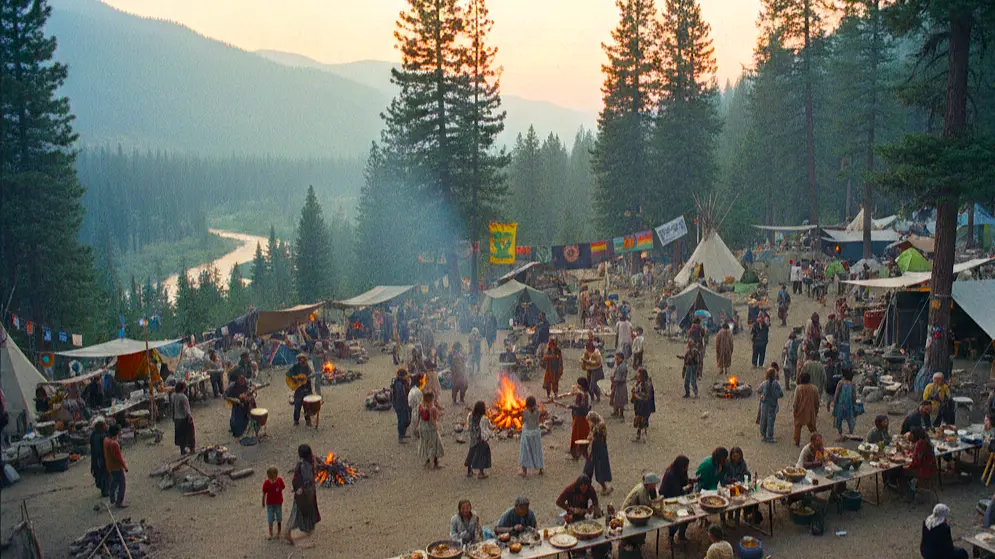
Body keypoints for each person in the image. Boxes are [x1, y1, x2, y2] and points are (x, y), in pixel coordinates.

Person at [285, 444, 321, 545]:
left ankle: (306, 527)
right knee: (300, 511)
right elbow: (308, 480)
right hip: (306, 493)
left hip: (303, 493)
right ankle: (290, 531)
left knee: (299, 510)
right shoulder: (307, 465)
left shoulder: (303, 464)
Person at [620, 472, 660, 549]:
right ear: (650, 484)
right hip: (628, 511)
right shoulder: (642, 490)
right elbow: (645, 506)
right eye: (654, 484)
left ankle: (639, 541)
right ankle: (633, 542)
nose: (655, 485)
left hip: (635, 508)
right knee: (641, 524)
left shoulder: (646, 488)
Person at [662, 456, 695, 544]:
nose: (687, 468)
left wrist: (690, 482)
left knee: (690, 515)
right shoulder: (670, 475)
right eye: (686, 466)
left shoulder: (680, 472)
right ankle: (671, 536)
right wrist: (687, 488)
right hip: (670, 500)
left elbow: (683, 483)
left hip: (679, 498)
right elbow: (677, 491)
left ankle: (681, 534)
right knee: (678, 517)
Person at [583, 412, 613, 494]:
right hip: (593, 448)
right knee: (588, 468)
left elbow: (598, 437)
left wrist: (590, 439)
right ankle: (586, 486)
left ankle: (604, 487)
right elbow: (591, 434)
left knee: (600, 469)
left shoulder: (600, 425)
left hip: (599, 448)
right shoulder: (594, 424)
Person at [904, 426, 938, 500]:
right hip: (931, 467)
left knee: (902, 472)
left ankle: (909, 494)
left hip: (924, 470)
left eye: (912, 434)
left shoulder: (920, 443)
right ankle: (913, 487)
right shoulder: (926, 440)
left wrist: (908, 466)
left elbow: (916, 462)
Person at [722, 448, 753, 525]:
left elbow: (746, 474)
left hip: (739, 486)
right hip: (729, 486)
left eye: (737, 456)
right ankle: (729, 517)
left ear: (740, 456)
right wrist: (730, 480)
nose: (736, 458)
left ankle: (737, 518)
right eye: (734, 456)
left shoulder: (742, 463)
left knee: (739, 501)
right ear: (731, 456)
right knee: (731, 501)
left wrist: (743, 481)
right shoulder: (727, 463)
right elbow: (724, 476)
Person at [415, 392, 445, 469]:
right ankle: (435, 463)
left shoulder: (420, 406)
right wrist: (437, 425)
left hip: (423, 428)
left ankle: (428, 461)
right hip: (431, 429)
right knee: (435, 444)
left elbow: (418, 418)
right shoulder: (432, 408)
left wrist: (416, 427)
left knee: (426, 444)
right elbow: (433, 420)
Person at [464, 401, 492, 479]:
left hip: (473, 438)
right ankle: (481, 473)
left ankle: (469, 472)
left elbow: (469, 426)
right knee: (482, 455)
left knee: (471, 453)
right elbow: (488, 427)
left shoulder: (470, 416)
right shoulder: (484, 418)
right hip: (481, 439)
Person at [519, 396, 544, 477]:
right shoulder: (538, 411)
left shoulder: (525, 412)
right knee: (537, 451)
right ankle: (541, 469)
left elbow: (523, 420)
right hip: (536, 433)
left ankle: (524, 471)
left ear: (527, 405)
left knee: (525, 451)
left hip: (527, 434)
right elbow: (540, 414)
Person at [792, 372, 820, 446]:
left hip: (800, 411)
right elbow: (817, 401)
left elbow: (795, 401)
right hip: (811, 411)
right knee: (813, 428)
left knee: (798, 427)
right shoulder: (814, 388)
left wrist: (794, 410)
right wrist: (816, 410)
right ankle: (817, 441)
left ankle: (797, 442)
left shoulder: (798, 388)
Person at [104, 423, 128, 508]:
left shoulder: (106, 440)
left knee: (114, 482)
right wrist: (125, 466)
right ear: (117, 432)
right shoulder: (114, 444)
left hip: (110, 466)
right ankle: (119, 502)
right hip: (116, 467)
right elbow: (119, 458)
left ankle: (112, 497)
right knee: (122, 484)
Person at [287, 354, 314, 426]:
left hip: (306, 388)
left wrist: (310, 392)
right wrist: (294, 378)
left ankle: (308, 421)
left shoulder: (307, 367)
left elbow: (309, 376)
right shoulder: (295, 367)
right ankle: (296, 420)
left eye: (303, 359)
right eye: (300, 359)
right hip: (298, 389)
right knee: (297, 405)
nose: (302, 361)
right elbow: (289, 373)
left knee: (307, 406)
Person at [830, 368, 857, 441]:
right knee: (850, 418)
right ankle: (851, 431)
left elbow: (837, 393)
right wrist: (854, 403)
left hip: (841, 403)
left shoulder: (840, 382)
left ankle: (840, 433)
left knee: (839, 418)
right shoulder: (852, 384)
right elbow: (854, 395)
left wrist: (834, 402)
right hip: (849, 404)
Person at [758, 367, 783, 443]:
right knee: (771, 421)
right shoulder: (776, 384)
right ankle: (770, 436)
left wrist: (762, 395)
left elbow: (758, 390)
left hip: (764, 405)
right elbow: (781, 394)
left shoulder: (764, 383)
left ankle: (763, 435)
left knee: (763, 419)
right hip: (772, 405)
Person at [568, 378, 592, 460]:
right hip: (581, 418)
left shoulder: (584, 395)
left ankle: (576, 454)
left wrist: (572, 406)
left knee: (577, 436)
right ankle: (581, 452)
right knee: (582, 436)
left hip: (581, 418)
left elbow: (582, 407)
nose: (577, 385)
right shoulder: (584, 394)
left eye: (578, 384)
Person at [170, 382, 195, 454]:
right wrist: (189, 417)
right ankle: (192, 449)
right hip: (184, 418)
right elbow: (187, 408)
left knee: (180, 435)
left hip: (177, 418)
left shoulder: (173, 396)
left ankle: (182, 450)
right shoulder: (183, 397)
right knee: (190, 434)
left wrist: (173, 417)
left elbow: (172, 407)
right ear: (183, 388)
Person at [631, 368, 655, 442]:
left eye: (638, 373)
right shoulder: (639, 382)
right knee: (638, 418)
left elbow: (647, 396)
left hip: (645, 405)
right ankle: (638, 434)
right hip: (639, 405)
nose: (637, 374)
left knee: (644, 419)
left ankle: (644, 434)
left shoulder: (647, 384)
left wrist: (636, 396)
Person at [262, 466, 285, 540]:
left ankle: (279, 532)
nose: (272, 480)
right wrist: (263, 501)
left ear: (276, 475)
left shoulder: (279, 480)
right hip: (270, 504)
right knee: (270, 519)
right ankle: (270, 533)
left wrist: (278, 490)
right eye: (270, 478)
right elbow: (264, 493)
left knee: (279, 518)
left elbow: (283, 487)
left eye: (274, 478)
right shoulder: (266, 483)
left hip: (278, 503)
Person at [89, 419, 109, 497]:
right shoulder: (101, 435)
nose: (106, 426)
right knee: (104, 474)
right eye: (104, 425)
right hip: (101, 458)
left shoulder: (94, 434)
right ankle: (105, 491)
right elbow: (98, 449)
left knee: (101, 474)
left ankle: (105, 489)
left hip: (96, 458)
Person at [392, 369, 412, 443]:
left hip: (404, 404)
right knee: (401, 421)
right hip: (400, 405)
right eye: (406, 375)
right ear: (403, 376)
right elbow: (400, 396)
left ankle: (403, 434)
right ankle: (400, 437)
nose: (407, 377)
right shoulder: (398, 384)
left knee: (407, 420)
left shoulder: (402, 382)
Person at [609, 351, 629, 419]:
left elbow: (618, 378)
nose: (616, 360)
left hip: (620, 385)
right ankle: (616, 411)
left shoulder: (621, 367)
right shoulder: (620, 366)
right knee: (616, 399)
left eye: (617, 359)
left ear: (621, 359)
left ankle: (621, 414)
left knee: (620, 400)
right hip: (618, 385)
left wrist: (613, 380)